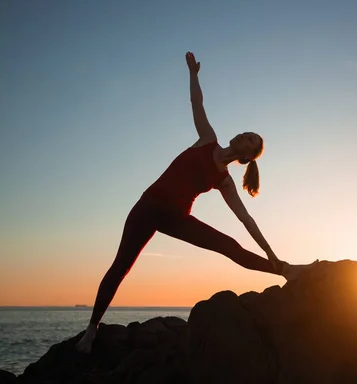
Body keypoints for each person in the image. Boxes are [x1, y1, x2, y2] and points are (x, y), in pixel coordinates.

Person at [75, 52, 313, 354]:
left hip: (176, 218)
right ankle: (91, 329)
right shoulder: (207, 139)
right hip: (146, 208)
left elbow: (246, 221)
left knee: (229, 245)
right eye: (248, 133)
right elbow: (197, 104)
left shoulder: (224, 181)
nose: (245, 134)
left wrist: (271, 252)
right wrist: (193, 73)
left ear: (246, 157)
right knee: (120, 267)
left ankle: (284, 269)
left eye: (250, 139)